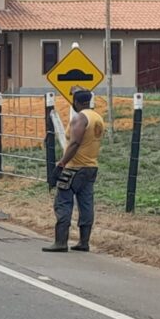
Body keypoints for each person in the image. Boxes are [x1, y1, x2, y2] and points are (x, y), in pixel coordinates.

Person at [43, 88, 104, 253]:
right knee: (86, 203)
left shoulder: (80, 118)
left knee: (63, 202)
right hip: (91, 167)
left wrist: (62, 163)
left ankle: (61, 242)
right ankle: (84, 242)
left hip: (74, 168)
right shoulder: (97, 118)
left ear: (76, 102)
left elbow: (75, 143)